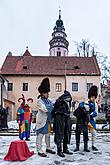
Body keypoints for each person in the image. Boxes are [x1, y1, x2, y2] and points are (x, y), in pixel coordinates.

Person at [74, 85, 98, 152]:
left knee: (94, 133)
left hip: (91, 121)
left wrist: (91, 113)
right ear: (90, 97)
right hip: (84, 121)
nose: (93, 98)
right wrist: (83, 106)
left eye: (94, 97)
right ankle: (78, 146)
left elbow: (96, 113)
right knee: (81, 134)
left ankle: (93, 145)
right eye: (92, 97)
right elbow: (80, 106)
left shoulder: (95, 104)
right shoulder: (85, 102)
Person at [36, 78, 55, 157]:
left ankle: (48, 148)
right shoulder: (39, 101)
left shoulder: (49, 100)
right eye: (46, 93)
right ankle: (39, 150)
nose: (48, 94)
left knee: (48, 135)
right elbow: (45, 109)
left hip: (48, 121)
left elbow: (54, 103)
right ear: (42, 93)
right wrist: (52, 105)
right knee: (40, 136)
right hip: (42, 121)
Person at [52, 90, 73, 157]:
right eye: (67, 98)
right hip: (59, 119)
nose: (68, 99)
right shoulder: (59, 102)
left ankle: (65, 149)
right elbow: (54, 111)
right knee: (59, 134)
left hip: (66, 119)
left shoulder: (68, 102)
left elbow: (68, 111)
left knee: (67, 133)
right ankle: (59, 150)